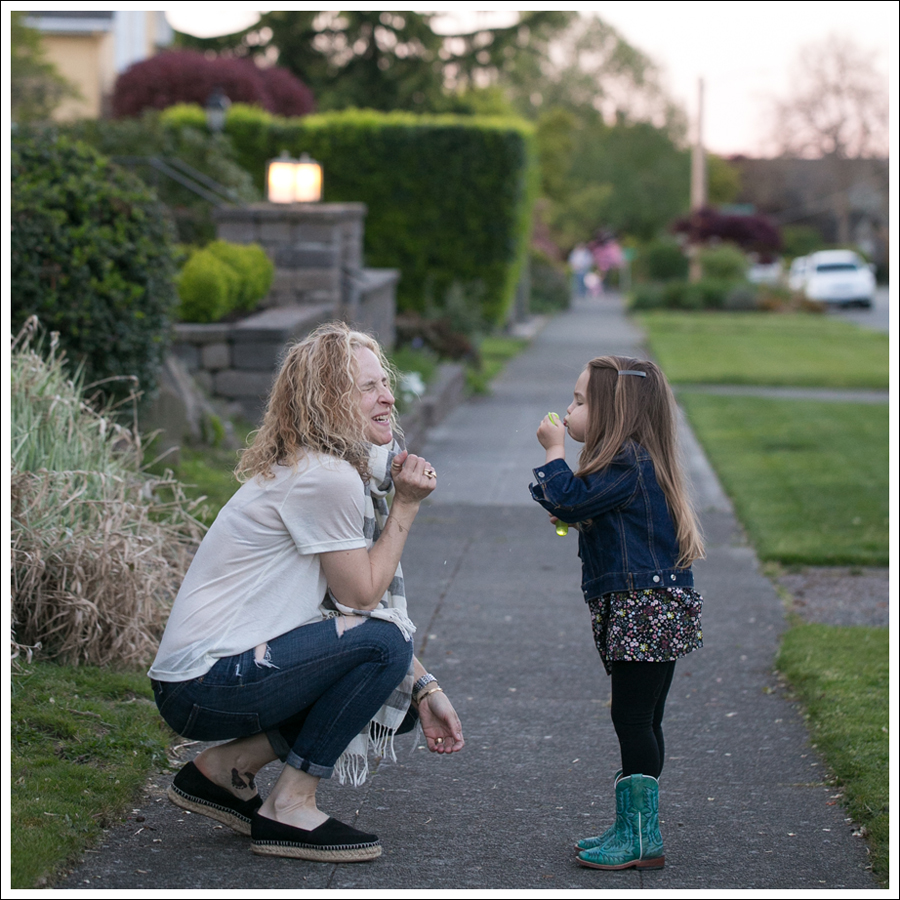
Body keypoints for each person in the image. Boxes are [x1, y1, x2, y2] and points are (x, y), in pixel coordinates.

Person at [148, 322, 464, 863]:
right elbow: (364, 602)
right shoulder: (328, 478)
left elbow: (350, 613)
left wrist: (424, 686)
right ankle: (289, 808)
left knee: (397, 694)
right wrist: (407, 506)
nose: (387, 395)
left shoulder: (330, 470)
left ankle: (222, 771)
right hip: (206, 682)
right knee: (385, 651)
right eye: (367, 387)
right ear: (326, 400)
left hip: (211, 677)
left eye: (383, 382)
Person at [530, 355, 704, 870]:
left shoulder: (625, 462)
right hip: (653, 608)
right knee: (643, 718)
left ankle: (641, 838)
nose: (568, 408)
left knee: (633, 718)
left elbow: (565, 499)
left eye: (580, 401)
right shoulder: (637, 460)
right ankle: (633, 827)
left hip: (643, 610)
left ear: (614, 413)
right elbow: (576, 507)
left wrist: (554, 450)